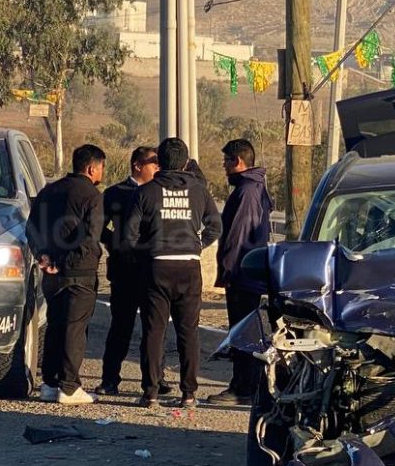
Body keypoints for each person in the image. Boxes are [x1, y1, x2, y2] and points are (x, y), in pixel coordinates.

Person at [123, 138, 222, 408]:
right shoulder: (199, 190)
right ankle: (189, 393)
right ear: (186, 162)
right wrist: (197, 245)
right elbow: (215, 225)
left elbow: (129, 235)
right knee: (188, 331)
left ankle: (151, 392)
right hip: (189, 266)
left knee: (154, 331)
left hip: (157, 266)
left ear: (160, 162)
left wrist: (146, 252)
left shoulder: (145, 192)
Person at [25, 144, 105, 405]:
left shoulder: (49, 190)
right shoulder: (91, 195)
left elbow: (31, 228)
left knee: (56, 326)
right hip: (79, 271)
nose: (101, 172)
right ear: (92, 168)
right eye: (101, 167)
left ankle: (49, 383)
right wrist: (66, 260)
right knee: (75, 328)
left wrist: (44, 257)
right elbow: (90, 236)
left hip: (51, 271)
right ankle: (69, 387)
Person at [96, 146, 172, 397]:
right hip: (124, 271)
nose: (158, 168)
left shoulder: (161, 193)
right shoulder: (115, 193)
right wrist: (115, 241)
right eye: (153, 163)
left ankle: (155, 378)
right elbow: (97, 225)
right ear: (137, 165)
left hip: (154, 270)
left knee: (154, 328)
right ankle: (109, 379)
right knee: (121, 326)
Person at [207, 139, 273, 406]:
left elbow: (237, 234)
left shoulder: (246, 191)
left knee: (242, 334)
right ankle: (247, 385)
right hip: (250, 272)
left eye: (226, 161)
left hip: (244, 274)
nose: (223, 166)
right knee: (247, 332)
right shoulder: (253, 187)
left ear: (238, 161)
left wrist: (228, 270)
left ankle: (242, 388)